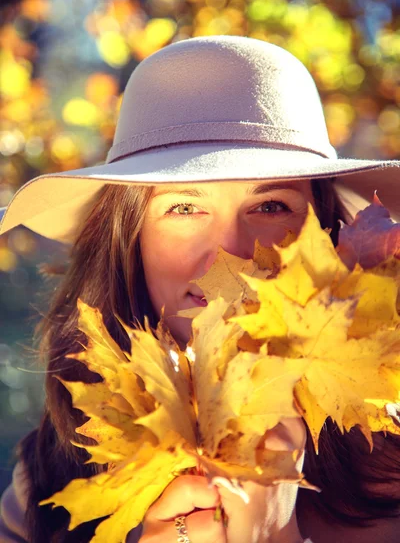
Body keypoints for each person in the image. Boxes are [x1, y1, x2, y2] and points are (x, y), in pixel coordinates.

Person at [0, 35, 399, 543]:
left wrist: (274, 534)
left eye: (271, 206)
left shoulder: (391, 464)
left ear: (322, 235)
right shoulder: (46, 482)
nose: (228, 256)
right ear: (130, 242)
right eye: (184, 208)